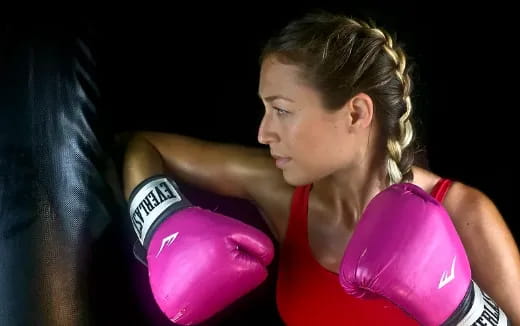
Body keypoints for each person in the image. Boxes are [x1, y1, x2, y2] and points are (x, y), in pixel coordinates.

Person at [122, 10, 520, 325]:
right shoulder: (282, 193)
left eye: (281, 110)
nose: (263, 133)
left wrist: (462, 310)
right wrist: (162, 222)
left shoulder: (464, 214)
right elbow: (144, 146)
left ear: (356, 113)